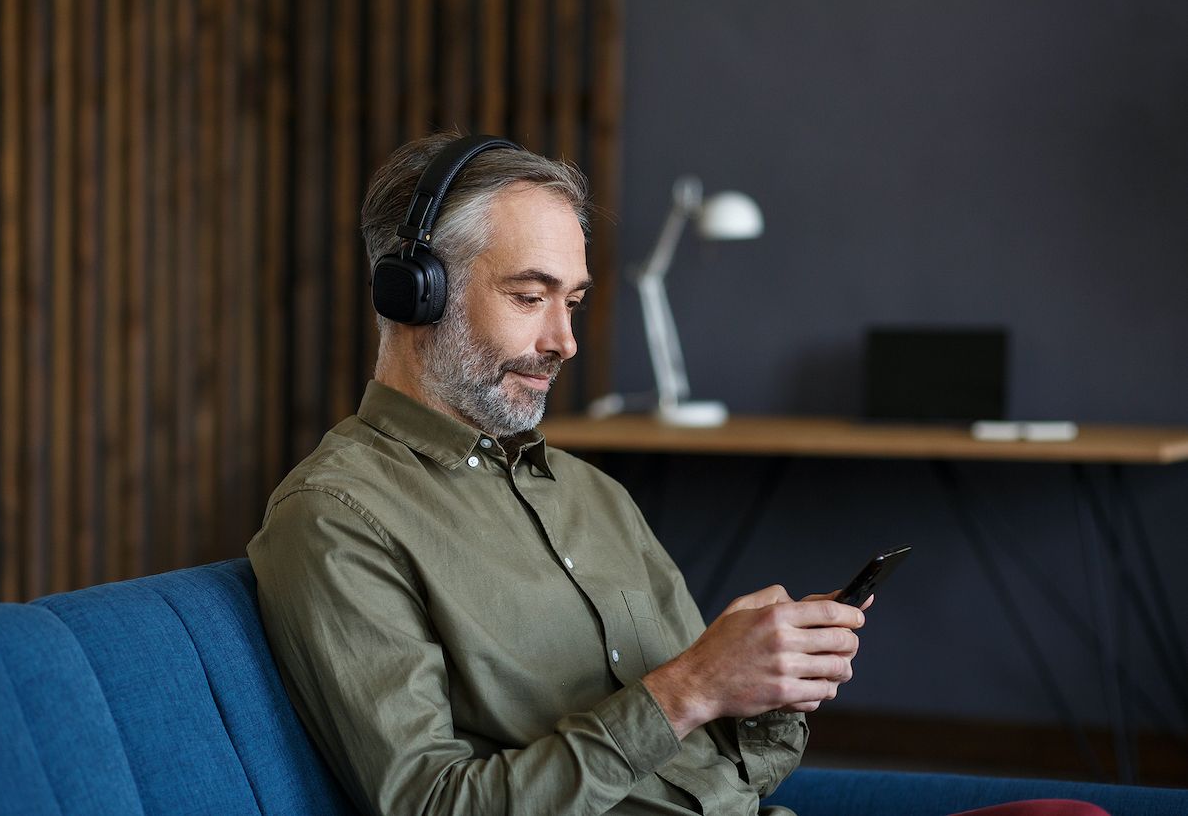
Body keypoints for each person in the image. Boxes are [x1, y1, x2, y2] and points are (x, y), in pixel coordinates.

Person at [248, 133, 1107, 816]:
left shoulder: (592, 496)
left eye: (573, 301)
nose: (564, 343)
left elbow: (720, 773)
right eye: (528, 295)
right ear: (414, 293)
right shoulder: (336, 518)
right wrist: (691, 685)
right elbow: (434, 806)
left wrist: (766, 688)